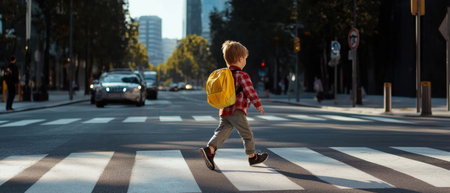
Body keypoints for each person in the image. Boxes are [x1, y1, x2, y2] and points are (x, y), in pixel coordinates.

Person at [200, 40, 268, 170]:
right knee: (247, 134)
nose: (245, 62)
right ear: (240, 59)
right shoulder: (242, 75)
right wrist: (258, 104)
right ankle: (252, 157)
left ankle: (210, 150)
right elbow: (250, 91)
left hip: (224, 109)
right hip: (237, 110)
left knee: (222, 131)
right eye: (245, 59)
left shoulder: (224, 75)